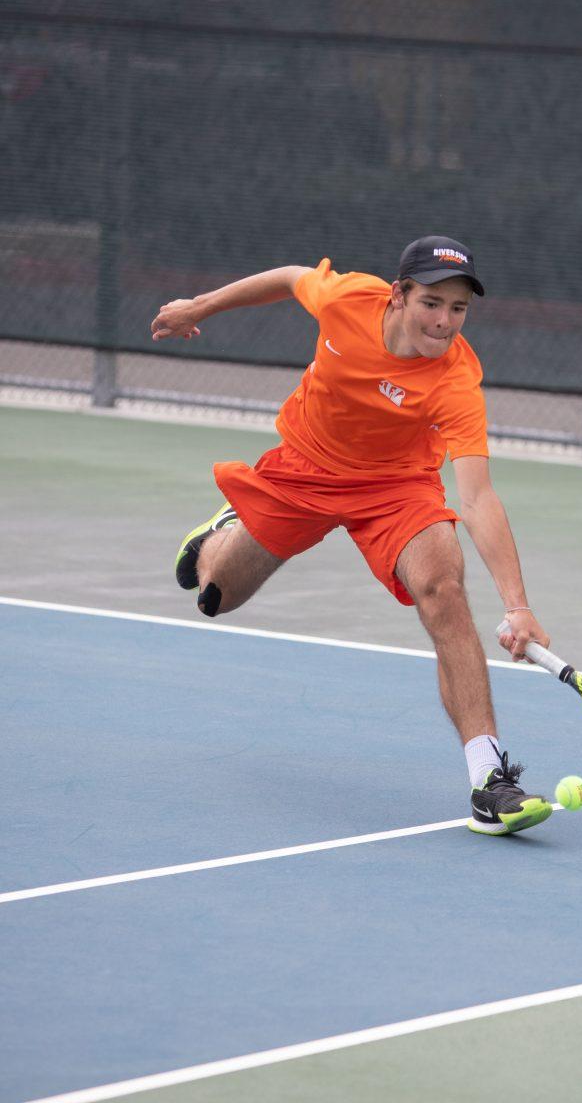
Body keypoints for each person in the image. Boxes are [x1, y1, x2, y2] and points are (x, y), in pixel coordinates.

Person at [151, 235, 553, 836]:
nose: (444, 322)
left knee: (443, 587)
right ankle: (226, 528)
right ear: (398, 296)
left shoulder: (455, 379)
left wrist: (518, 605)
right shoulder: (347, 301)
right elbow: (290, 275)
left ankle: (490, 780)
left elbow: (477, 496)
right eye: (432, 304)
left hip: (395, 487)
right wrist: (199, 307)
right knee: (216, 593)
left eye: (459, 309)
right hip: (305, 468)